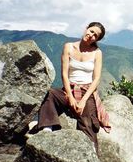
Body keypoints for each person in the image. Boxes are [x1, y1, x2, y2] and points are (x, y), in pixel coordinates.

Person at [33, 22, 110, 152]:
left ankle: (89, 153)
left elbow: (96, 79)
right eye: (91, 31)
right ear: (86, 28)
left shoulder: (97, 53)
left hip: (86, 92)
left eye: (95, 35)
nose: (91, 35)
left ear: (96, 39)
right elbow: (64, 73)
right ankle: (47, 129)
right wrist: (69, 95)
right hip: (69, 88)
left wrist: (83, 100)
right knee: (50, 94)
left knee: (87, 122)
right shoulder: (68, 47)